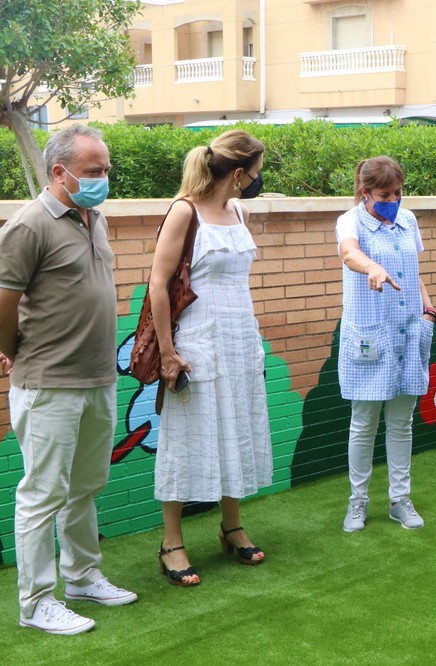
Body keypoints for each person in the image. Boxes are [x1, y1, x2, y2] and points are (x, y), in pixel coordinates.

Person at [0, 125, 137, 635]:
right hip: (49, 383)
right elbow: (3, 302)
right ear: (59, 172)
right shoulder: (29, 225)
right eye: (94, 171)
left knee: (84, 487)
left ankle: (81, 576)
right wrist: (14, 352)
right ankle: (36, 603)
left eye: (106, 169)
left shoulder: (93, 218)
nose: (104, 179)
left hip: (98, 377)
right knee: (42, 493)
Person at [152, 130, 273, 587]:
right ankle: (171, 542)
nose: (259, 180)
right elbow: (157, 285)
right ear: (239, 174)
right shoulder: (185, 211)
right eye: (258, 173)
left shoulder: (238, 209)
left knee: (235, 429)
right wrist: (168, 353)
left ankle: (232, 525)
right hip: (197, 345)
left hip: (241, 340)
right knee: (187, 440)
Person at [336, 156, 436, 533]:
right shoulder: (350, 221)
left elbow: (413, 270)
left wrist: (427, 306)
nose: (393, 199)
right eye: (384, 194)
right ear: (365, 193)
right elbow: (349, 253)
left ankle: (400, 500)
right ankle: (357, 502)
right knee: (364, 424)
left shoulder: (407, 220)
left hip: (409, 330)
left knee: (402, 423)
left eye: (398, 192)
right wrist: (372, 268)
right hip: (370, 334)